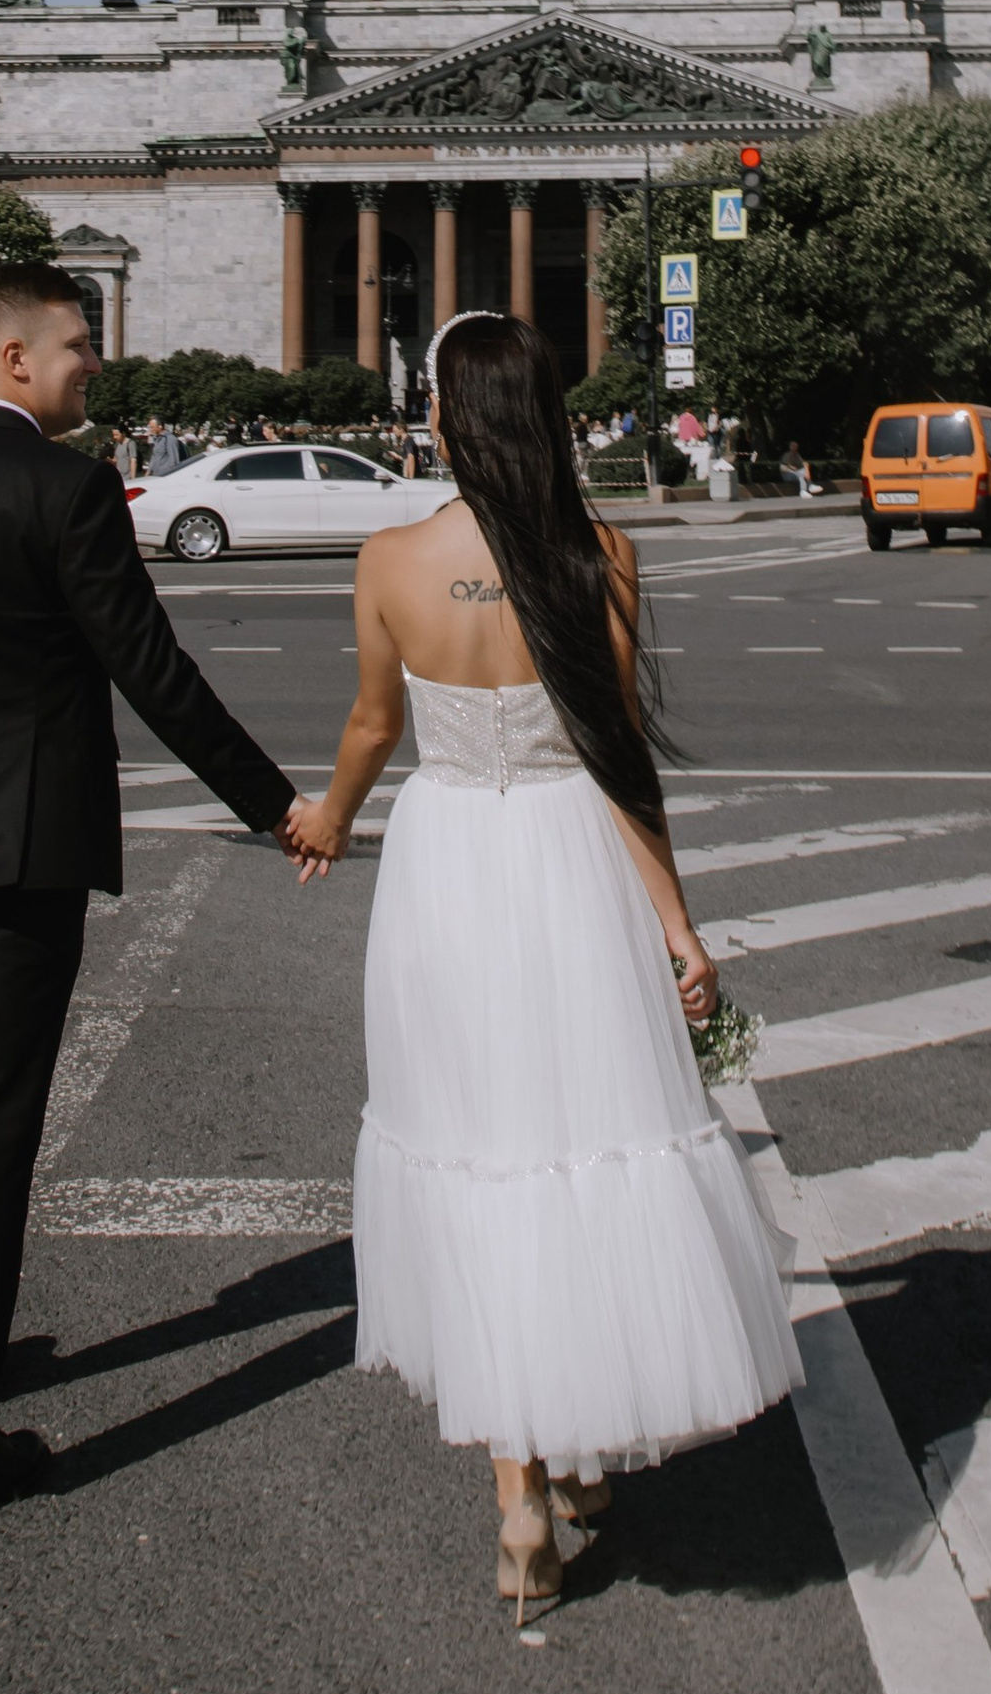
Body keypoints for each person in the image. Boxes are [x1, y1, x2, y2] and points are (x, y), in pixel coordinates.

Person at [0, 261, 327, 1534]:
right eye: (79, 344)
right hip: (20, 850)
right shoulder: (65, 488)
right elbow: (153, 672)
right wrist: (274, 804)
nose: (98, 362)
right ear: (15, 360)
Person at [295, 311, 798, 1622]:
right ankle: (573, 1461)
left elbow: (369, 723)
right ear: (551, 421)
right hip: (572, 867)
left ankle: (520, 1494)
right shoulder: (604, 555)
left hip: (449, 868)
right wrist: (677, 926)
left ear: (446, 424)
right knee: (577, 1153)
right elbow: (620, 756)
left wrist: (333, 816)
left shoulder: (394, 559)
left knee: (476, 1156)